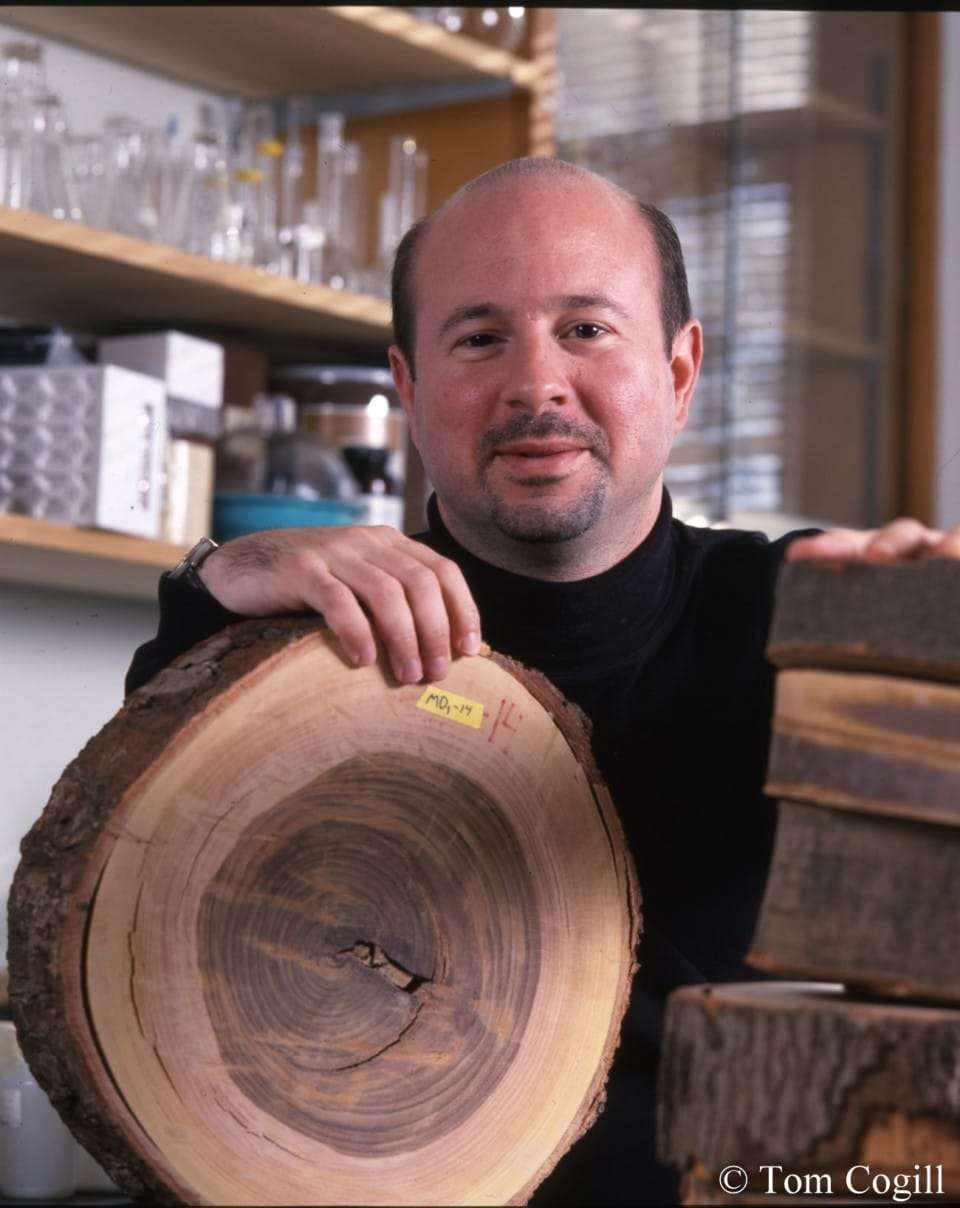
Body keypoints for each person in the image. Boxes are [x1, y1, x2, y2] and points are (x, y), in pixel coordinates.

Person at [126, 157, 960, 1205]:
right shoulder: (315, 627)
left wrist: (927, 624)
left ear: (680, 370)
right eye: (480, 338)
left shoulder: (794, 615)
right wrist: (216, 577)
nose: (535, 385)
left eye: (586, 329)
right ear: (409, 384)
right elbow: (133, 858)